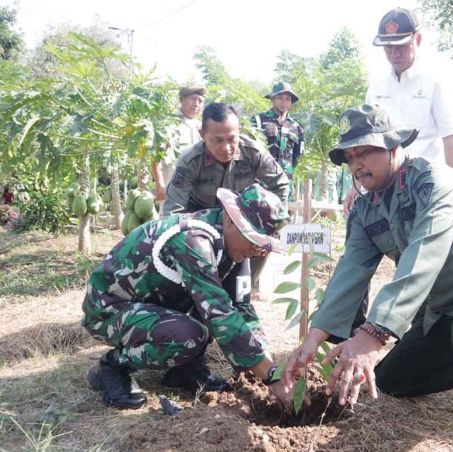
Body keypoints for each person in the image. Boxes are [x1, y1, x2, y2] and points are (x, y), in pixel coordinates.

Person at [284, 105, 453, 452]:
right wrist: (313, 339)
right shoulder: (364, 210)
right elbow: (351, 270)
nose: (357, 164)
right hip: (442, 310)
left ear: (393, 147)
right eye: (350, 156)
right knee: (391, 380)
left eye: (365, 152)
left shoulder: (434, 180)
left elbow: (423, 256)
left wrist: (373, 333)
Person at [82, 183, 295, 410]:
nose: (258, 251)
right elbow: (219, 313)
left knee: (209, 318)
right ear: (231, 221)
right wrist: (270, 376)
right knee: (188, 334)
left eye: (264, 247)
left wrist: (268, 362)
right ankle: (112, 367)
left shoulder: (234, 249)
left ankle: (184, 371)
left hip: (153, 306)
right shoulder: (194, 240)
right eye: (254, 241)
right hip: (110, 309)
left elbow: (241, 308)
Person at [342, 7, 453, 215]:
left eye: (401, 46)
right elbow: (363, 144)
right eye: (388, 47)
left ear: (418, 39)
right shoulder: (377, 87)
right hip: (384, 187)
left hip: (426, 186)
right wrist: (356, 186)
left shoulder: (435, 82)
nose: (394, 53)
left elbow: (450, 138)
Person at [162, 102, 289, 215]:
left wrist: (274, 220)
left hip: (242, 217)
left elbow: (281, 184)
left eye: (232, 139)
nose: (226, 148)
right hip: (199, 219)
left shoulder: (254, 153)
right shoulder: (190, 161)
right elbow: (173, 211)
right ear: (203, 134)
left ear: (239, 132)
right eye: (218, 140)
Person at [151, 86, 206, 204]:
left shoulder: (202, 127)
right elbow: (155, 157)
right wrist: (160, 184)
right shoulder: (168, 125)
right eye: (193, 99)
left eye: (200, 101)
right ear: (181, 100)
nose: (196, 104)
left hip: (196, 194)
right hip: (172, 191)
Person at [252, 82, 305, 201]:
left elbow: (297, 155)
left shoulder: (297, 127)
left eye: (287, 99)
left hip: (285, 182)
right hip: (261, 182)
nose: (283, 102)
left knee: (284, 217)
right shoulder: (258, 121)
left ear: (291, 102)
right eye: (279, 97)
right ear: (272, 99)